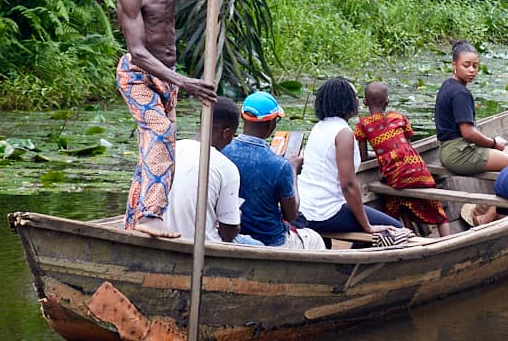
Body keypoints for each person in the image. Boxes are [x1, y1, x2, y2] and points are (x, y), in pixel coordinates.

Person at [115, 0, 233, 231]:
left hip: (167, 80)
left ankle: (133, 221)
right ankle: (152, 215)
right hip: (138, 75)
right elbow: (138, 51)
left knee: (152, 149)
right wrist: (186, 83)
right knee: (161, 133)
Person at [298, 76, 408, 241]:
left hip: (305, 209)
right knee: (397, 230)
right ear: (344, 101)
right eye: (355, 96)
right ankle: (357, 262)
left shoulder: (318, 127)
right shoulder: (343, 133)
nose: (358, 101)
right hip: (325, 213)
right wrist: (367, 227)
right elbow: (348, 186)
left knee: (370, 223)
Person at [354, 81, 450, 234]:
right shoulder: (399, 117)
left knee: (395, 201)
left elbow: (364, 157)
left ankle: (408, 234)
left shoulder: (362, 125)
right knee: (440, 215)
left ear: (365, 102)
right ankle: (447, 240)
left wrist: (381, 155)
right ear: (387, 101)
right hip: (418, 169)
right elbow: (408, 146)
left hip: (395, 175)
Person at [225, 92, 306, 247]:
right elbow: (291, 215)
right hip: (271, 241)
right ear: (271, 125)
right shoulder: (281, 165)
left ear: (243, 118)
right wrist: (293, 170)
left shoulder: (223, 150)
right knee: (316, 240)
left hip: (232, 235)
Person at [162, 98, 243, 243]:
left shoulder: (170, 149)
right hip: (200, 246)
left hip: (162, 237)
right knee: (258, 243)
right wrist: (236, 219)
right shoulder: (226, 167)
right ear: (226, 132)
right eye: (233, 135)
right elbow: (228, 233)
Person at [434, 41, 508, 177]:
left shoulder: (447, 84)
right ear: (454, 65)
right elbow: (468, 133)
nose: (471, 70)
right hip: (459, 154)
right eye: (466, 65)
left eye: (475, 66)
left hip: (446, 151)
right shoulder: (460, 93)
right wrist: (494, 143)